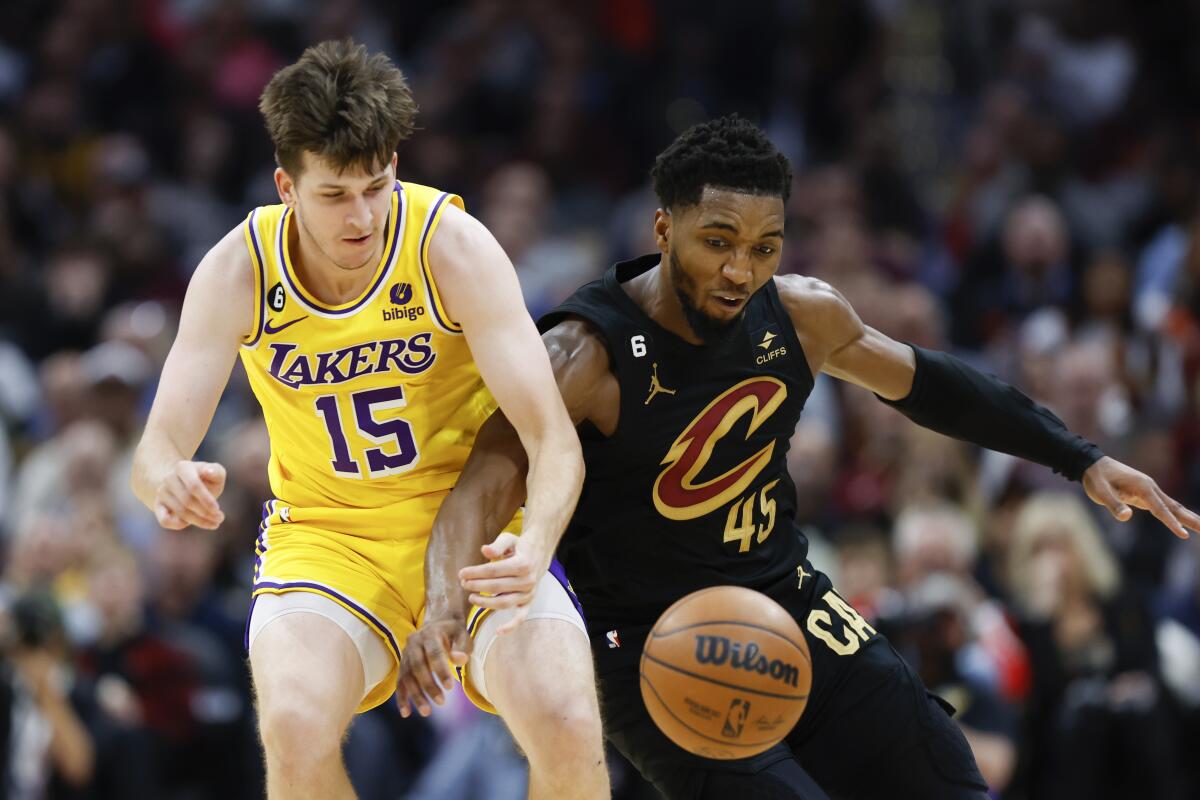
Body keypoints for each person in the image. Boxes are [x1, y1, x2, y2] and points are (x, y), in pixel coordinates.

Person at [398, 115, 1200, 799]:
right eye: (718, 242)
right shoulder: (586, 353)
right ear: (664, 229)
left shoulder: (803, 315)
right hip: (650, 639)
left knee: (939, 764)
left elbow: (930, 385)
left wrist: (1079, 457)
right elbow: (486, 477)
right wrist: (440, 604)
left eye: (765, 245)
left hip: (786, 594)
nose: (741, 270)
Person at [129, 40, 608, 800]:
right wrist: (170, 480)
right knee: (291, 722)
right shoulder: (237, 270)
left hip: (472, 530)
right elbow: (156, 448)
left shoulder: (451, 246)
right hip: (329, 541)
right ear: (287, 185)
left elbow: (553, 441)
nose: (362, 216)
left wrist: (535, 543)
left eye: (377, 186)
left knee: (568, 719)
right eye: (334, 195)